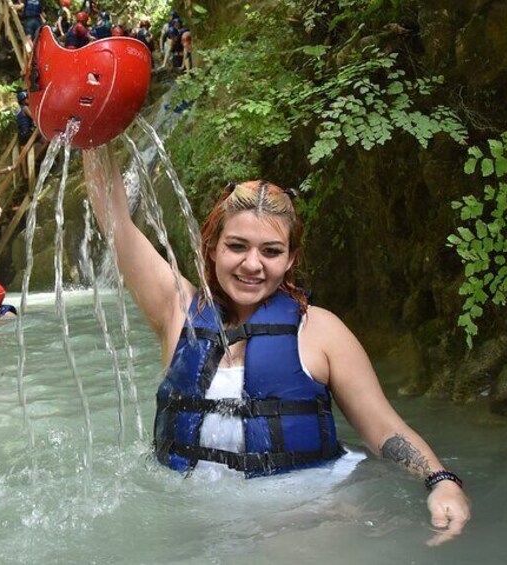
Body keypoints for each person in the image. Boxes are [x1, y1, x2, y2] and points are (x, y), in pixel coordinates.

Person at [82, 148, 471, 545]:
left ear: (290, 259)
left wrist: (440, 482)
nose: (253, 265)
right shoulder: (176, 311)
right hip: (194, 524)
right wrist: (93, 132)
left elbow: (383, 429)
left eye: (271, 251)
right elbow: (116, 223)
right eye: (237, 246)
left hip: (308, 518)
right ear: (213, 247)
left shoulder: (321, 331)